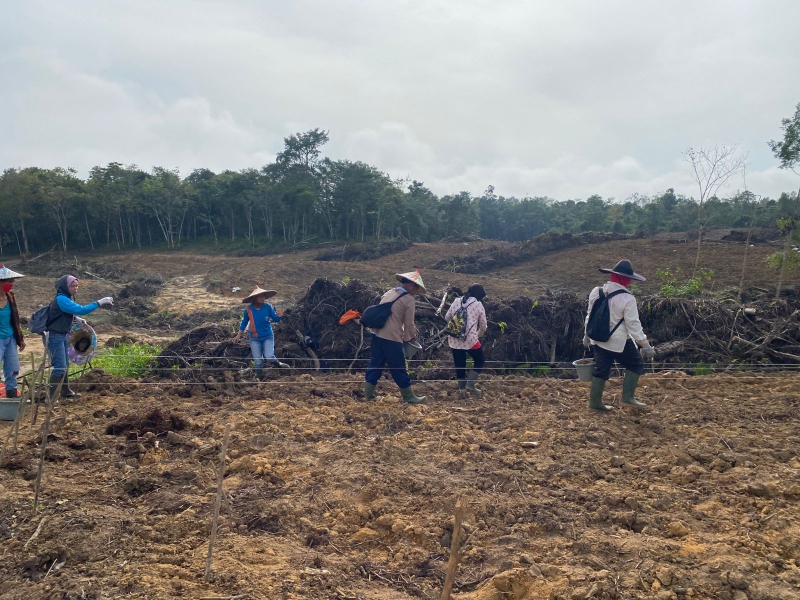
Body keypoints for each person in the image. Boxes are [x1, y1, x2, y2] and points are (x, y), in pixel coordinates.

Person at [583, 259, 655, 411]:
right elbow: (633, 324)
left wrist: (586, 336)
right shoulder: (628, 299)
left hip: (598, 338)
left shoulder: (596, 292)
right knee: (636, 364)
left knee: (601, 369)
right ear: (627, 279)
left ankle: (595, 403)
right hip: (618, 341)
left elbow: (590, 315)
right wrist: (645, 344)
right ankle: (628, 398)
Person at [364, 269, 426, 404]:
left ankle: (368, 395)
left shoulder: (390, 292)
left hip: (377, 333)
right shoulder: (408, 299)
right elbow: (409, 323)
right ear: (411, 285)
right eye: (416, 287)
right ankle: (409, 396)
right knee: (399, 367)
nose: (416, 290)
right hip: (391, 337)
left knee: (375, 364)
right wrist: (410, 338)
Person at [47, 275, 113, 398]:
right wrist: (99, 302)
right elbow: (81, 309)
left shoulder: (65, 298)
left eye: (77, 286)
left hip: (62, 335)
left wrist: (75, 319)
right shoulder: (62, 299)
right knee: (60, 366)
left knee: (65, 364)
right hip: (55, 336)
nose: (76, 288)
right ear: (65, 287)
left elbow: (64, 313)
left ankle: (65, 391)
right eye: (73, 286)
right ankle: (51, 398)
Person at [233, 286, 286, 379]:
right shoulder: (248, 310)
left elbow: (275, 319)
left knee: (269, 356)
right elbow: (244, 323)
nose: (262, 298)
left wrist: (280, 316)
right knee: (258, 362)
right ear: (255, 298)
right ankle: (260, 382)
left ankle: (280, 365)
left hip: (267, 336)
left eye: (263, 296)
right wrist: (238, 335)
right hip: (254, 339)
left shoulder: (268, 307)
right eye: (260, 296)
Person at [445, 283, 488, 395]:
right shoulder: (478, 305)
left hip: (454, 337)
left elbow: (447, 317)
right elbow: (483, 325)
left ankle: (461, 390)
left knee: (460, 364)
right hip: (470, 339)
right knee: (480, 360)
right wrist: (478, 335)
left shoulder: (456, 301)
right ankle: (470, 384)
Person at [0, 266, 26, 399]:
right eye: (8, 281)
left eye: (12, 281)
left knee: (13, 368)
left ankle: (11, 395)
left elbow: (15, 319)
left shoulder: (10, 297)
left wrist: (20, 339)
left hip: (10, 337)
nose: (11, 284)